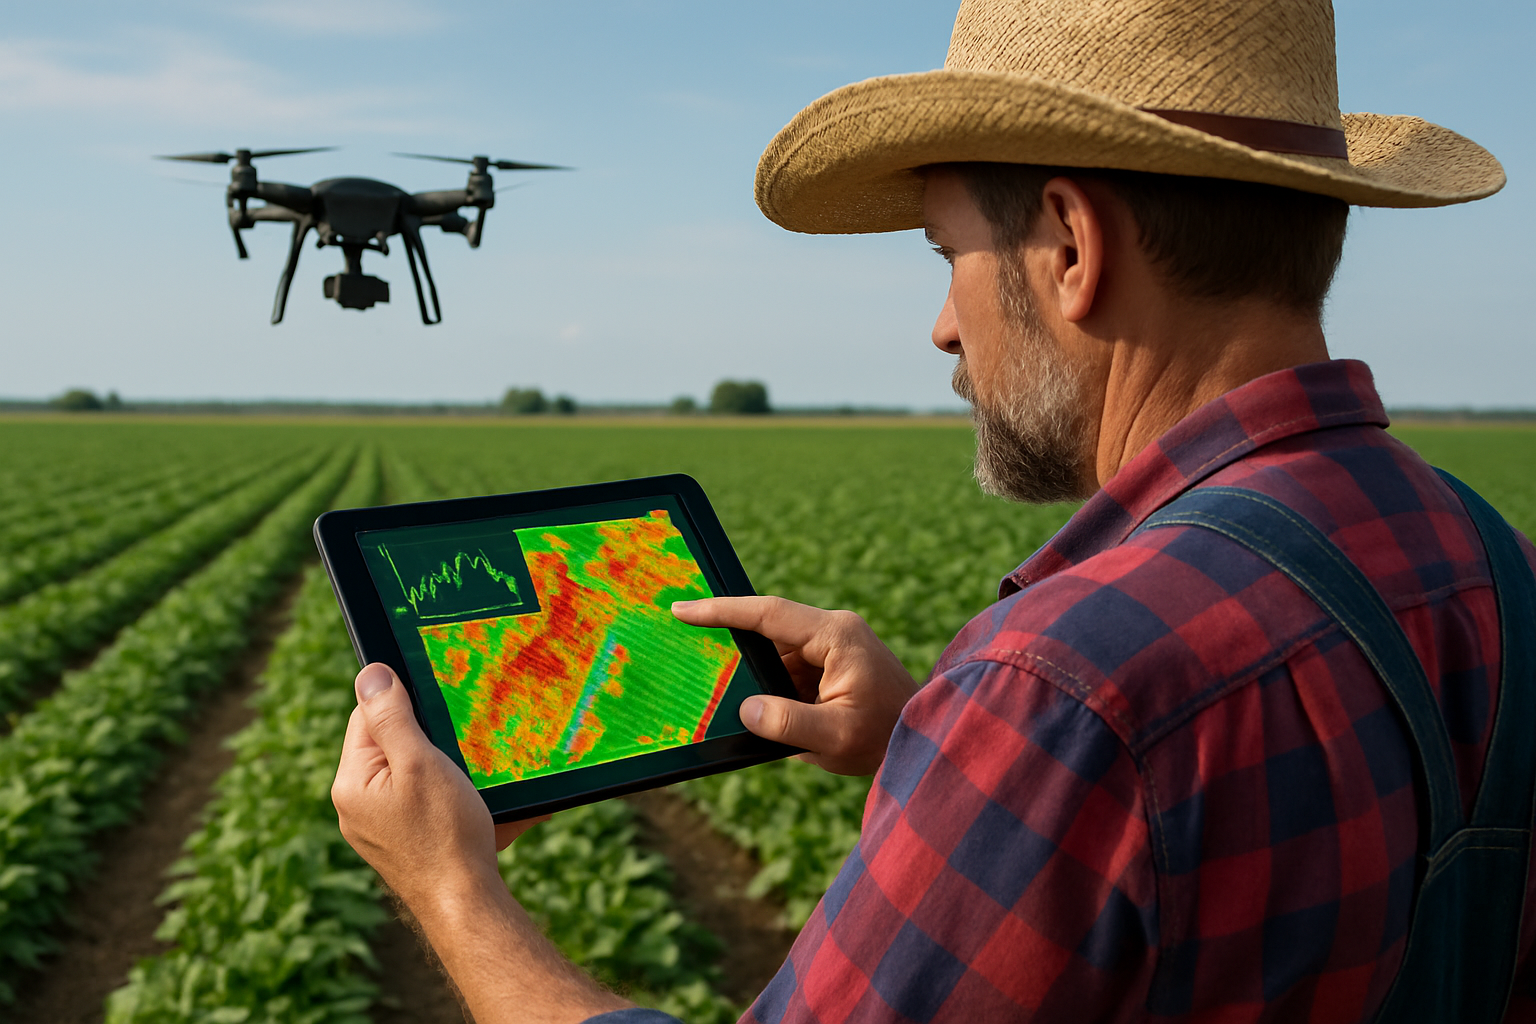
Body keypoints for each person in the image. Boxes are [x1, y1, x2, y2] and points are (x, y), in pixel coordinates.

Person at [332, 0, 1536, 1021]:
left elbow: (1126, 742)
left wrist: (454, 892)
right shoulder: (1499, 564)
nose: (944, 327)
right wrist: (936, 747)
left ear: (1071, 247)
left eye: (946, 254)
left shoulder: (1069, 691)